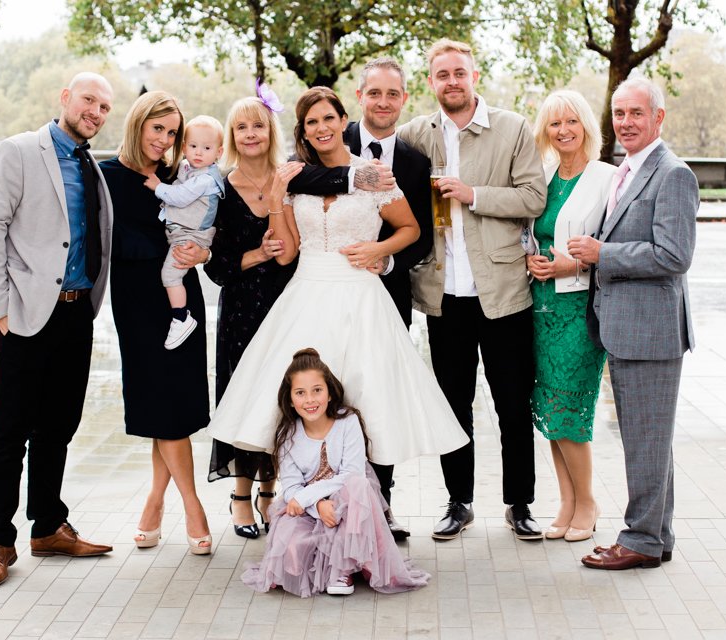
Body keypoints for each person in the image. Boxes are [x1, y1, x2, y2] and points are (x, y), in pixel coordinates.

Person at [206, 87, 468, 502]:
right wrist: (277, 201)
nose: (321, 128)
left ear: (342, 121)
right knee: (301, 400)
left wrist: (379, 250)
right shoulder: (293, 178)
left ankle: (373, 505)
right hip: (306, 295)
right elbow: (288, 252)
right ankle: (308, 501)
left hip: (361, 299)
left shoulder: (375, 175)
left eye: (328, 118)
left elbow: (412, 229)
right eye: (312, 122)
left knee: (368, 401)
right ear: (303, 132)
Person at [0, 72, 115, 590]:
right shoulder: (19, 151)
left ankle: (49, 526)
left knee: (58, 427)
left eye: (104, 107)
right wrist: (0, 309)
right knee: (9, 431)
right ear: (65, 98)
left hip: (76, 314)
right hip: (25, 316)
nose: (95, 112)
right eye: (88, 101)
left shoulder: (92, 167)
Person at [398, 39, 547, 540]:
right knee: (452, 404)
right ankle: (458, 502)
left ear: (475, 76)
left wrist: (472, 194)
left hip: (503, 291)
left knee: (511, 403)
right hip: (443, 297)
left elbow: (533, 196)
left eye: (459, 73)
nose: (452, 82)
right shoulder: (415, 135)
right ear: (431, 82)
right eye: (442, 75)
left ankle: (520, 504)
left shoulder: (513, 128)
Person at [568, 77, 698, 570]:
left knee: (646, 441)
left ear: (658, 118)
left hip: (651, 331)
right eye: (619, 114)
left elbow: (673, 255)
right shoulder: (627, 170)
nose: (626, 123)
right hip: (626, 327)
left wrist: (603, 254)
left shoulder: (673, 174)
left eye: (636, 113)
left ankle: (639, 539)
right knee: (650, 441)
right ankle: (656, 536)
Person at [99, 91, 213, 555]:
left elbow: (211, 223)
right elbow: (103, 240)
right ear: (138, 124)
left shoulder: (178, 176)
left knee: (173, 408)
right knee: (160, 406)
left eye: (172, 133)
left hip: (182, 299)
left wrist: (202, 251)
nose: (164, 141)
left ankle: (155, 502)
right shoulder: (104, 176)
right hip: (137, 303)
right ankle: (191, 505)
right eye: (158, 129)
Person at [241, 348, 430, 597]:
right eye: (300, 393)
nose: (310, 400)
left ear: (329, 393)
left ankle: (343, 568)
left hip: (350, 503)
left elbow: (352, 473)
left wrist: (312, 498)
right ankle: (321, 563)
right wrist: (317, 506)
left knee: (358, 486)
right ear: (289, 399)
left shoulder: (347, 422)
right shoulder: (287, 435)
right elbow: (292, 487)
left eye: (317, 390)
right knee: (291, 545)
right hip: (311, 510)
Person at [341, 57, 433, 539]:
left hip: (389, 294)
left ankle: (382, 505)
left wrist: (387, 258)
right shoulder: (332, 144)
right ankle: (332, 502)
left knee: (381, 399)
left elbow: (422, 236)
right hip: (334, 295)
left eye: (392, 94)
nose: (382, 102)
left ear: (403, 98)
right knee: (336, 397)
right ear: (360, 97)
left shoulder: (416, 162)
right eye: (374, 93)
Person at [203, 95, 302, 539]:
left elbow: (300, 250)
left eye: (257, 126)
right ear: (231, 136)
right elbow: (215, 265)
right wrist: (258, 253)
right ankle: (241, 497)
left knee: (280, 401)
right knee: (244, 401)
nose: (250, 135)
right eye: (241, 128)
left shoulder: (292, 182)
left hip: (287, 308)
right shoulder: (219, 189)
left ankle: (270, 490)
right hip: (242, 311)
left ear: (270, 131)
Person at [524, 90, 613, 542]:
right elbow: (530, 233)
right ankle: (566, 501)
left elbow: (611, 246)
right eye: (555, 124)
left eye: (571, 122)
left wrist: (573, 264)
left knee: (570, 411)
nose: (563, 131)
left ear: (585, 127)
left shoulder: (607, 179)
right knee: (550, 410)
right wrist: (532, 260)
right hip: (539, 310)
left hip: (580, 314)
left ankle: (589, 502)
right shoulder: (543, 176)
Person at [143, 115, 225, 349]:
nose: (199, 152)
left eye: (206, 148)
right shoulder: (189, 168)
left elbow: (179, 196)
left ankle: (181, 317)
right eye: (193, 146)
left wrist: (157, 186)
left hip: (191, 236)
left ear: (218, 153)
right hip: (181, 231)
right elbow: (181, 177)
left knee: (170, 275)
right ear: (184, 147)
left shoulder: (206, 180)